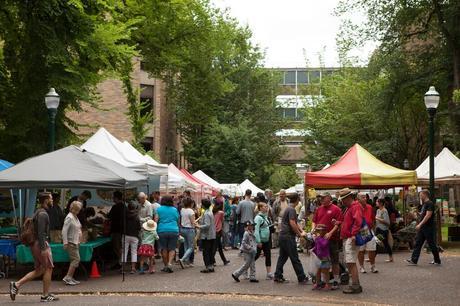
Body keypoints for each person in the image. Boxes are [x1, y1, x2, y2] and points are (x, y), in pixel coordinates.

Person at [10, 192, 58, 302]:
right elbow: (41, 232)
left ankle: (16, 285)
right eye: (50, 199)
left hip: (35, 244)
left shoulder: (38, 212)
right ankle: (45, 295)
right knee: (48, 268)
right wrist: (43, 249)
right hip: (40, 244)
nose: (52, 200)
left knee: (40, 269)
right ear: (46, 200)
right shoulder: (43, 214)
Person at [273, 193, 309, 284]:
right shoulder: (292, 209)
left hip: (283, 236)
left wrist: (301, 231)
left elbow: (295, 223)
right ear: (297, 200)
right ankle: (301, 277)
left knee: (283, 257)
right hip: (288, 236)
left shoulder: (288, 208)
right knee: (294, 257)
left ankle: (277, 275)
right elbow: (292, 223)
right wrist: (299, 234)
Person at [311, 192, 343, 289]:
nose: (321, 200)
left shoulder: (336, 209)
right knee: (320, 261)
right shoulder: (319, 209)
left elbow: (338, 223)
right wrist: (313, 230)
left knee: (334, 260)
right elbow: (314, 221)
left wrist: (330, 233)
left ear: (329, 197)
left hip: (332, 239)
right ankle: (321, 281)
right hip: (320, 240)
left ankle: (336, 280)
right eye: (321, 198)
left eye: (323, 198)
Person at [406, 190, 441, 265]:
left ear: (425, 195)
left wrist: (420, 224)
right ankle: (414, 260)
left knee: (431, 244)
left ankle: (437, 260)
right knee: (418, 242)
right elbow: (423, 214)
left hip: (428, 227)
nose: (420, 196)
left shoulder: (430, 203)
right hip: (423, 227)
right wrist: (417, 213)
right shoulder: (424, 204)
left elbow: (428, 215)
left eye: (421, 195)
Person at [339, 188, 363, 294]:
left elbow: (358, 222)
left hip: (351, 238)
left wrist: (353, 234)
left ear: (348, 198)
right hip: (349, 237)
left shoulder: (355, 207)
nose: (342, 202)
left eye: (343, 199)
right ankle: (355, 284)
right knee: (350, 262)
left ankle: (355, 285)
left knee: (351, 262)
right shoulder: (351, 207)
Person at [155, 195, 179, 273]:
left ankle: (166, 266)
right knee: (172, 248)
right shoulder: (175, 209)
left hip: (162, 230)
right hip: (174, 230)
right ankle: (170, 263)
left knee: (163, 249)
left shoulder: (158, 209)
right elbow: (178, 220)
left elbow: (156, 220)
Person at [61, 201, 83, 285]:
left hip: (75, 242)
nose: (77, 211)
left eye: (78, 210)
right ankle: (68, 277)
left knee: (74, 260)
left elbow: (78, 228)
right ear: (71, 208)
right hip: (71, 242)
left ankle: (70, 277)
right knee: (76, 259)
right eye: (76, 209)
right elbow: (64, 230)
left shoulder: (75, 217)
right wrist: (65, 242)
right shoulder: (69, 217)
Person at [356, 192, 378, 273]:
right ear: (358, 199)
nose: (365, 199)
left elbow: (373, 219)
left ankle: (373, 266)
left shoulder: (369, 207)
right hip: (360, 231)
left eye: (365, 197)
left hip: (369, 230)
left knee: (372, 249)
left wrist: (373, 229)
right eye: (362, 197)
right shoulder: (356, 207)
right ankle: (361, 267)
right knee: (361, 250)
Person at [254, 199, 273, 280]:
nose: (267, 208)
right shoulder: (258, 218)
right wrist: (258, 241)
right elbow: (256, 230)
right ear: (260, 208)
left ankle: (269, 273)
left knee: (268, 256)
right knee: (255, 256)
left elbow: (266, 227)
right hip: (261, 241)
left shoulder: (265, 217)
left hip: (266, 240)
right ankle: (245, 269)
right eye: (265, 206)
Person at [196, 198, 216, 273]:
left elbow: (207, 225)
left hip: (207, 236)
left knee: (206, 252)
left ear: (203, 205)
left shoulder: (207, 213)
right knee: (210, 251)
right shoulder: (209, 212)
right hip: (211, 235)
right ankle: (211, 266)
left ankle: (208, 266)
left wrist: (199, 226)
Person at [108, 191, 126, 270]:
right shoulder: (124, 206)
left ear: (116, 198)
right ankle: (120, 261)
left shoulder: (115, 207)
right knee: (120, 247)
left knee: (117, 247)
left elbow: (109, 217)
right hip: (123, 229)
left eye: (113, 197)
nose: (112, 199)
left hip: (116, 230)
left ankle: (120, 262)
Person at [311, 224, 333, 291]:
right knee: (318, 271)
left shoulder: (325, 238)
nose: (318, 232)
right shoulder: (318, 238)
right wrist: (313, 249)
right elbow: (317, 246)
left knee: (325, 271)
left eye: (320, 231)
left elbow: (324, 245)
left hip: (325, 257)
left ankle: (327, 284)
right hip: (318, 257)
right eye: (318, 231)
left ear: (324, 231)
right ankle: (318, 283)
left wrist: (318, 239)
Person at [123, 202, 141, 274]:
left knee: (124, 251)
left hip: (125, 235)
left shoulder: (125, 216)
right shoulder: (137, 216)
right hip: (134, 236)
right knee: (134, 252)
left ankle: (122, 268)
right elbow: (139, 227)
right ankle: (133, 268)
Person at [178, 197, 196, 268]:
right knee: (191, 247)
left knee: (186, 245)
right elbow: (193, 222)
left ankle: (186, 261)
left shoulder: (182, 210)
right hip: (189, 229)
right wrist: (196, 226)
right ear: (191, 203)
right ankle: (182, 259)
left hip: (182, 229)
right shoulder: (191, 211)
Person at [212, 201, 230, 266]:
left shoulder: (213, 212)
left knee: (219, 247)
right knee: (215, 247)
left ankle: (224, 260)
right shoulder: (221, 213)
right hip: (218, 231)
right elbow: (222, 221)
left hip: (213, 231)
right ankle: (211, 261)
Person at [375, 198, 393, 262]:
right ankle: (390, 257)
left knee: (377, 242)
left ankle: (372, 257)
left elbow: (386, 221)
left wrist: (377, 218)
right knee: (382, 243)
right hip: (378, 228)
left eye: (377, 202)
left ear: (381, 203)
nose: (376, 203)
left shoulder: (384, 211)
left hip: (383, 230)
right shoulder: (378, 210)